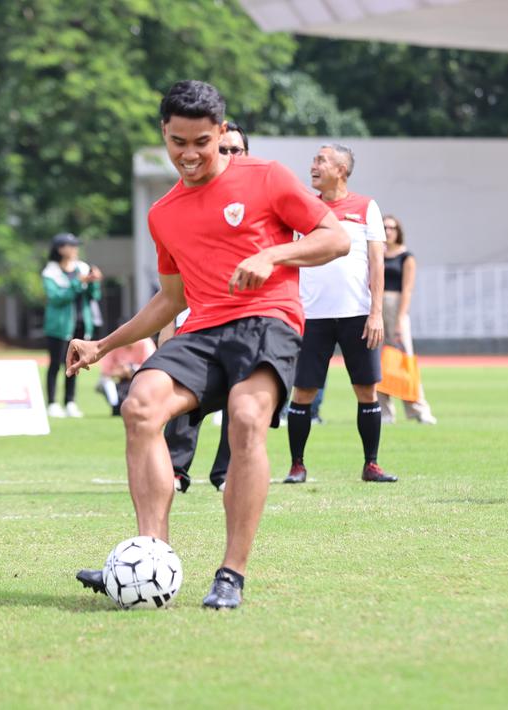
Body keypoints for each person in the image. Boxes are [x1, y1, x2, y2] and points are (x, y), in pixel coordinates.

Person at [69, 80, 349, 609]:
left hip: (267, 319)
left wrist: (273, 257)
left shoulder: (266, 177)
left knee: (246, 417)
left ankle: (231, 574)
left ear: (222, 133)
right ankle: (152, 560)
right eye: (178, 142)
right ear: (164, 134)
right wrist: (102, 345)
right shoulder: (164, 213)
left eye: (202, 141)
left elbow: (335, 237)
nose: (190, 154)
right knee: (140, 405)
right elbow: (169, 299)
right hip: (201, 330)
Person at [285, 143, 396, 484]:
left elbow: (376, 263)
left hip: (357, 316)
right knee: (303, 391)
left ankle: (371, 465)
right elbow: (291, 257)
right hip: (312, 316)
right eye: (314, 160)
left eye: (321, 160)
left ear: (341, 170)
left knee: (366, 389)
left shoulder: (366, 207)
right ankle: (297, 465)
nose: (313, 166)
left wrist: (375, 313)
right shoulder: (303, 208)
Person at [162, 120, 249, 493]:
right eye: (223, 148)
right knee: (182, 396)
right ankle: (176, 468)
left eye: (235, 150)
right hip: (196, 319)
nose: (227, 156)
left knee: (241, 400)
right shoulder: (182, 202)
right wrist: (167, 333)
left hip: (249, 322)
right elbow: (171, 288)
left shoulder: (262, 194)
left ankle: (227, 473)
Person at [377, 214, 436, 424]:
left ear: (398, 231)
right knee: (378, 360)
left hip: (395, 308)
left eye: (392, 227)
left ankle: (418, 408)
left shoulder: (406, 257)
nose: (388, 231)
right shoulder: (376, 254)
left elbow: (407, 290)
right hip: (376, 308)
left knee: (404, 360)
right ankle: (384, 411)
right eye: (383, 227)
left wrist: (401, 317)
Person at [42, 232, 102, 419]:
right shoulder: (50, 272)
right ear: (60, 249)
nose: (75, 249)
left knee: (75, 364)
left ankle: (70, 402)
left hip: (81, 323)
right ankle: (52, 403)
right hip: (59, 326)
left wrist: (93, 282)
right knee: (55, 364)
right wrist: (78, 283)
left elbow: (94, 297)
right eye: (71, 245)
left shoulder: (82, 268)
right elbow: (57, 298)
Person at [97, 337, 156, 416]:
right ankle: (115, 405)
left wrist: (130, 370)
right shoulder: (114, 343)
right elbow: (105, 372)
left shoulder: (145, 342)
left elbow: (151, 368)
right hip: (120, 380)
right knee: (103, 382)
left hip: (140, 378)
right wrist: (119, 372)